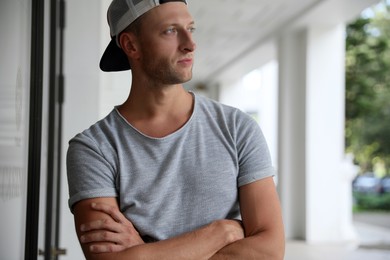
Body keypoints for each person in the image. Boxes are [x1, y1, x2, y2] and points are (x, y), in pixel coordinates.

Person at [66, 0, 285, 259]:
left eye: (190, 29)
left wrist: (144, 253)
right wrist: (220, 233)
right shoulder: (93, 148)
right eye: (170, 30)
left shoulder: (238, 129)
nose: (190, 44)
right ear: (131, 45)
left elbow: (269, 251)